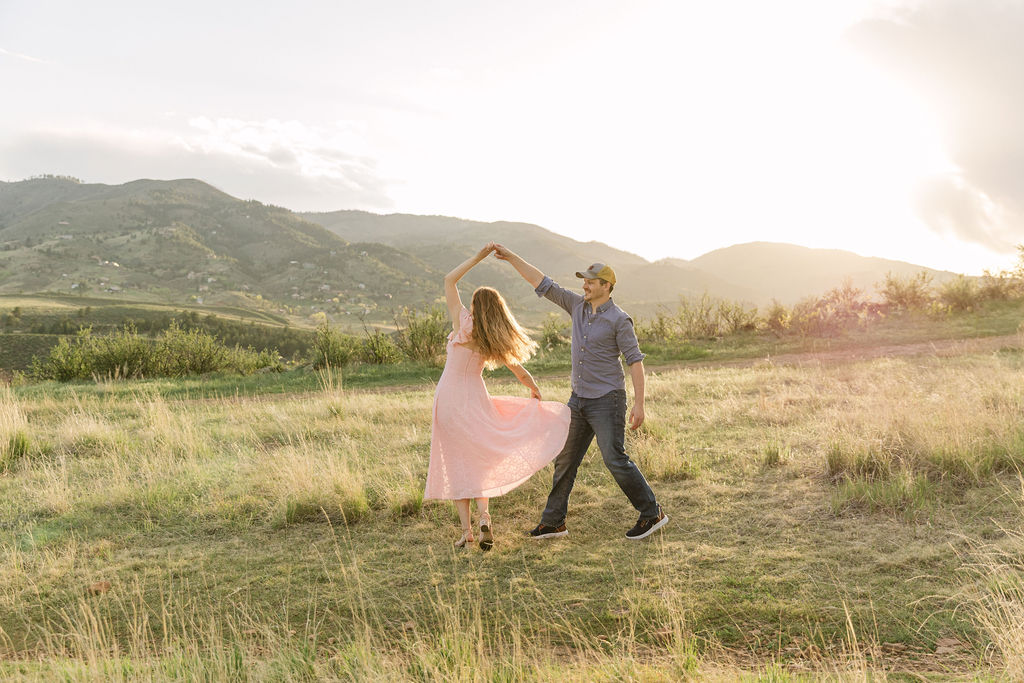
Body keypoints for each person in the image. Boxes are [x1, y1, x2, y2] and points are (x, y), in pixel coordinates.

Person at [493, 244, 668, 540]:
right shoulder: (577, 306)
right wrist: (511, 256)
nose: (584, 285)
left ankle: (652, 513)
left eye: (590, 281)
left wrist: (639, 404)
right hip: (579, 401)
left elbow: (635, 361)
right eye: (584, 281)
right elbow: (542, 282)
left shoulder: (619, 320)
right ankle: (553, 522)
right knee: (565, 459)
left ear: (606, 286)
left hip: (608, 400)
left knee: (614, 458)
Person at [424, 243, 571, 550]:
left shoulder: (462, 324)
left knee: (456, 462)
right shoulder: (493, 337)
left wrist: (477, 257)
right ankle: (484, 518)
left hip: (450, 399)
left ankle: (466, 532)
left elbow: (449, 280)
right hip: (476, 399)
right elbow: (519, 372)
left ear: (475, 306)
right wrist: (534, 391)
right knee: (478, 459)